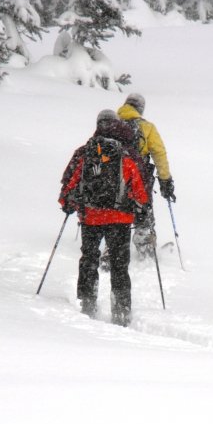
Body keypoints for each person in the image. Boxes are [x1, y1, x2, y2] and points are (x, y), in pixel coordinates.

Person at [58, 109, 148, 326]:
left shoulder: (85, 152)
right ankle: (122, 312)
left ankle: (87, 305)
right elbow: (139, 189)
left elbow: (69, 183)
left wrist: (68, 204)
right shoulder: (126, 155)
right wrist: (142, 210)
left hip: (91, 218)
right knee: (119, 266)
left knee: (89, 260)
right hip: (120, 220)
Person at [117, 93, 175, 259]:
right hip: (139, 178)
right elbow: (159, 154)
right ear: (141, 109)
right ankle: (145, 250)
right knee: (142, 211)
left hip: (113, 178)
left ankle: (111, 250)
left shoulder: (111, 124)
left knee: (115, 211)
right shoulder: (146, 127)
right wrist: (165, 179)